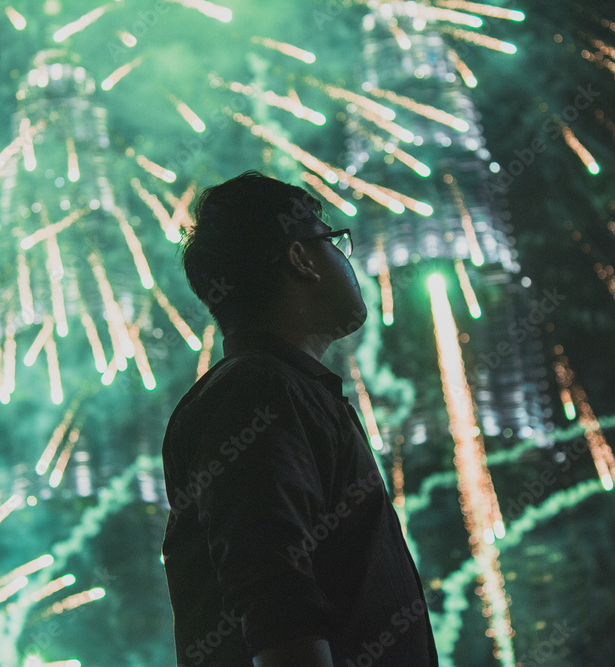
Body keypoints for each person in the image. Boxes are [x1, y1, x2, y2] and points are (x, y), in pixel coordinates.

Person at [161, 171, 438, 666]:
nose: (345, 259)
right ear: (299, 257)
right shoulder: (260, 393)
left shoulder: (281, 390)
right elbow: (278, 603)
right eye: (334, 241)